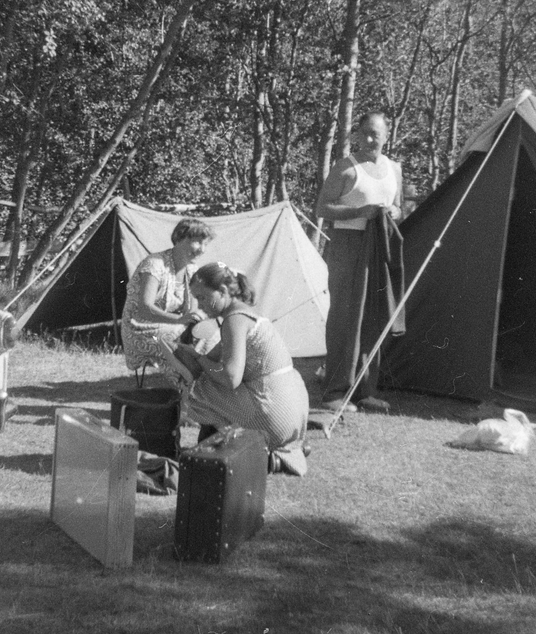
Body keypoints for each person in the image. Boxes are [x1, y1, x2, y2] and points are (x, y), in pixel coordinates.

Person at [175, 262, 309, 476]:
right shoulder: (246, 315)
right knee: (208, 383)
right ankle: (268, 452)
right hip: (293, 416)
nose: (199, 306)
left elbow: (230, 377)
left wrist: (198, 361)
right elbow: (214, 358)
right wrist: (194, 356)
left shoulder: (233, 320)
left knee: (199, 389)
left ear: (223, 291)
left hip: (273, 414)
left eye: (202, 297)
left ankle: (226, 451)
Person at [315, 110, 404, 414]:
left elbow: (398, 207)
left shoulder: (394, 168)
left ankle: (364, 389)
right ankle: (335, 391)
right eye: (363, 132)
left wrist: (394, 213)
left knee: (374, 315)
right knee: (345, 315)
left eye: (374, 134)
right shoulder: (347, 167)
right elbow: (323, 208)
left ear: (386, 136)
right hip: (349, 246)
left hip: (380, 247)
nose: (368, 139)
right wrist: (358, 211)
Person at [120, 217, 215, 375]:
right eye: (198, 242)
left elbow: (190, 313)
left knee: (208, 335)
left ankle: (203, 383)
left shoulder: (192, 271)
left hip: (173, 325)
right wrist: (179, 320)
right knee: (178, 342)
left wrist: (197, 320)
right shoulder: (155, 264)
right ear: (179, 238)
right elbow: (144, 309)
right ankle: (187, 384)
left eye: (205, 244)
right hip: (140, 328)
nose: (202, 249)